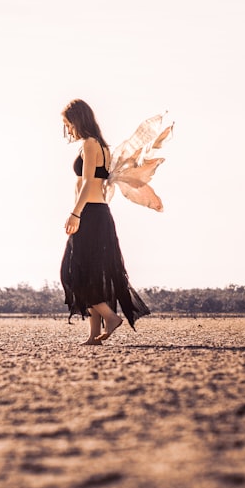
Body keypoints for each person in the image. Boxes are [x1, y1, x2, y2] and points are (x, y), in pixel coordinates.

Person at [60, 99, 151, 345]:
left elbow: (89, 181)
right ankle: (93, 335)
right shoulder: (100, 145)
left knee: (72, 273)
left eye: (68, 124)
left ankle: (111, 317)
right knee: (91, 274)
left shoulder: (90, 144)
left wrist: (75, 213)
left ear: (77, 120)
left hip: (89, 213)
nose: (67, 129)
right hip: (98, 213)